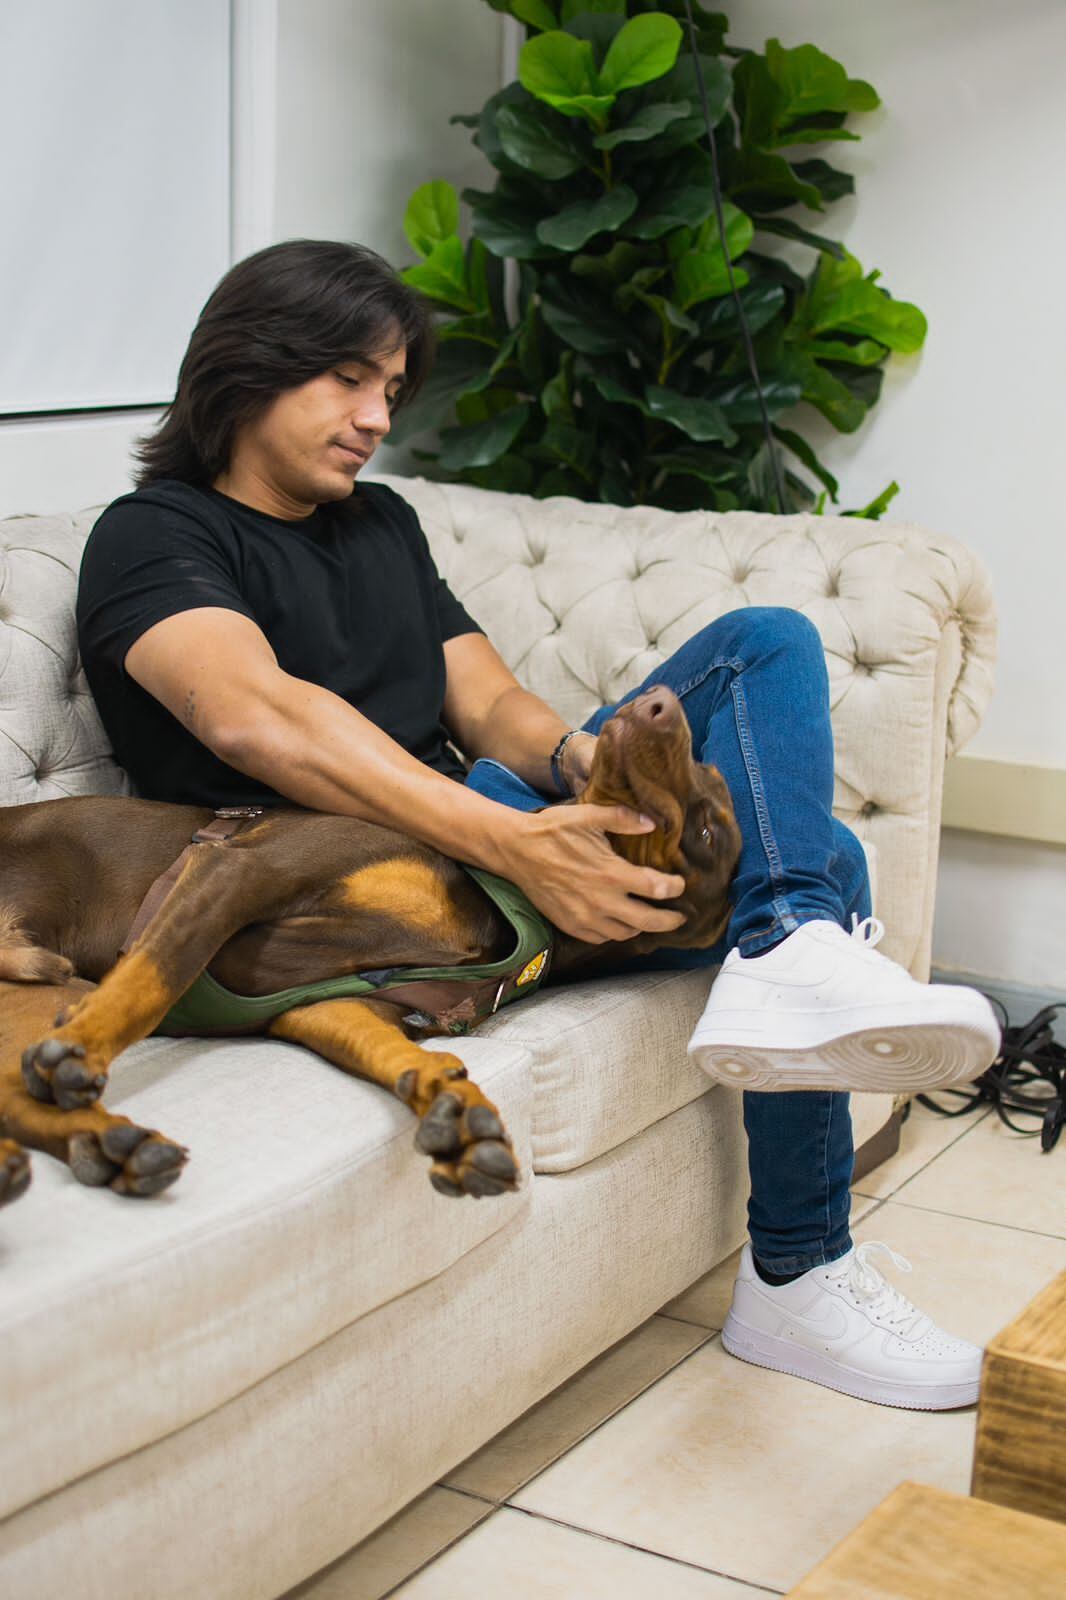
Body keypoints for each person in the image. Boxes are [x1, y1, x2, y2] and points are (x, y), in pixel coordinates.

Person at [76, 240, 999, 1412]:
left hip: (478, 831)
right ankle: (800, 1261)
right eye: (350, 381)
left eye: (392, 392)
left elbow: (486, 700)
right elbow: (265, 722)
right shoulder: (153, 534)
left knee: (770, 669)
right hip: (343, 882)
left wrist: (574, 766)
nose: (375, 417)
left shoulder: (381, 523)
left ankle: (789, 1002)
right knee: (822, 859)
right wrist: (503, 840)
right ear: (250, 367)